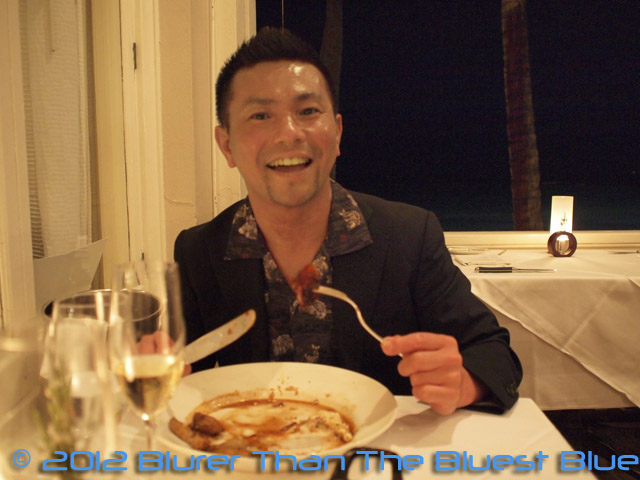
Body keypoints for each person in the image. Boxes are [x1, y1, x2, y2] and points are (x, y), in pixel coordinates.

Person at [174, 26, 522, 415]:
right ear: (227, 145)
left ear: (337, 132)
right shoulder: (198, 251)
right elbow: (177, 372)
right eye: (260, 115)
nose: (289, 133)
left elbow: (493, 353)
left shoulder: (408, 236)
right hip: (253, 447)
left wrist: (462, 381)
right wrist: (152, 370)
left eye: (308, 111)